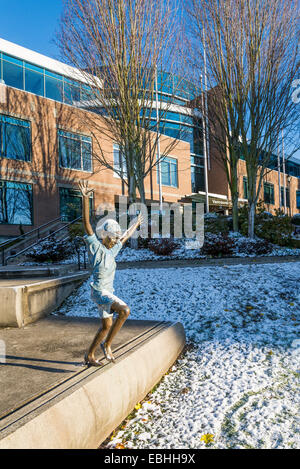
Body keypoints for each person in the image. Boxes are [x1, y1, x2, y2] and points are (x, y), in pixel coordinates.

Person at [78, 181, 143, 367]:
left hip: (108, 292)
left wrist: (135, 223)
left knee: (106, 326)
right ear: (105, 236)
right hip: (99, 292)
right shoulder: (96, 248)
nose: (116, 241)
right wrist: (85, 198)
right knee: (124, 311)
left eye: (116, 238)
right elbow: (87, 224)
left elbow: (125, 237)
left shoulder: (112, 251)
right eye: (113, 238)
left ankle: (89, 355)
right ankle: (107, 345)